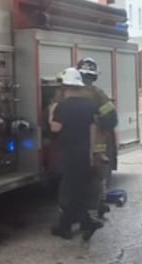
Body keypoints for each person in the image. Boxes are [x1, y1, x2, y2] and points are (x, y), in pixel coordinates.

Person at [48, 67, 104, 240]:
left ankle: (65, 227)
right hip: (84, 152)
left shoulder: (62, 107)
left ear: (66, 87)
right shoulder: (89, 105)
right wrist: (92, 153)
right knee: (81, 188)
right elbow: (93, 129)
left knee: (69, 190)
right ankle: (86, 222)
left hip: (69, 153)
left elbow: (55, 128)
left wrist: (51, 113)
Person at [74, 57, 119, 218]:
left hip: (73, 144)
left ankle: (74, 211)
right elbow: (112, 118)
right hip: (96, 145)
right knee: (97, 175)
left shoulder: (66, 92)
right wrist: (103, 129)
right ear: (94, 76)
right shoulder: (97, 93)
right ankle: (95, 208)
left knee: (74, 178)